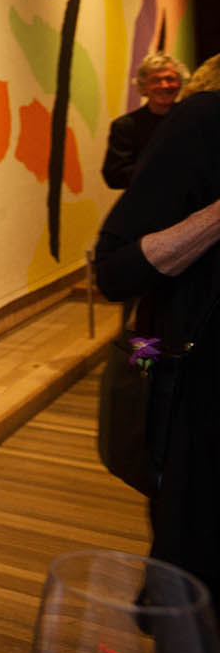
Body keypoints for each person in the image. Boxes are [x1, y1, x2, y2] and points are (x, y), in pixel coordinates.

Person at [93, 79, 220, 603]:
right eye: (159, 80)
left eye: (173, 79)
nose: (166, 86)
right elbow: (116, 179)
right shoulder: (171, 123)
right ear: (147, 86)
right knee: (141, 350)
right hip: (169, 332)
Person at [102, 53, 187, 189]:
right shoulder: (125, 126)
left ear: (180, 84)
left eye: (170, 79)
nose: (164, 85)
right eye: (155, 80)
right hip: (150, 205)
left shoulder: (193, 120)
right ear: (143, 87)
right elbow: (114, 177)